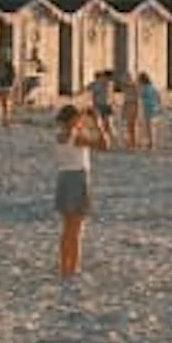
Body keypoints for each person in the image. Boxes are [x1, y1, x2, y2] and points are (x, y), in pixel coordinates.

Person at [54, 104, 103, 277]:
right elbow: (103, 144)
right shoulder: (76, 136)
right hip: (77, 177)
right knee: (76, 229)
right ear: (73, 119)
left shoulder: (60, 135)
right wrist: (98, 124)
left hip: (63, 178)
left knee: (67, 227)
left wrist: (82, 121)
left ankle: (64, 267)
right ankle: (72, 268)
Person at [87, 69, 117, 151]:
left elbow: (89, 89)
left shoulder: (99, 83)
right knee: (107, 125)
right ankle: (110, 142)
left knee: (101, 125)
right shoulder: (109, 84)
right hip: (105, 105)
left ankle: (107, 142)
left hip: (100, 105)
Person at [0, 50, 17, 128]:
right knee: (1, 104)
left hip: (2, 86)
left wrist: (11, 84)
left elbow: (12, 75)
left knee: (1, 104)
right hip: (2, 86)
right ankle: (1, 120)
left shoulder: (4, 65)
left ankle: (2, 120)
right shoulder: (4, 65)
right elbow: (13, 75)